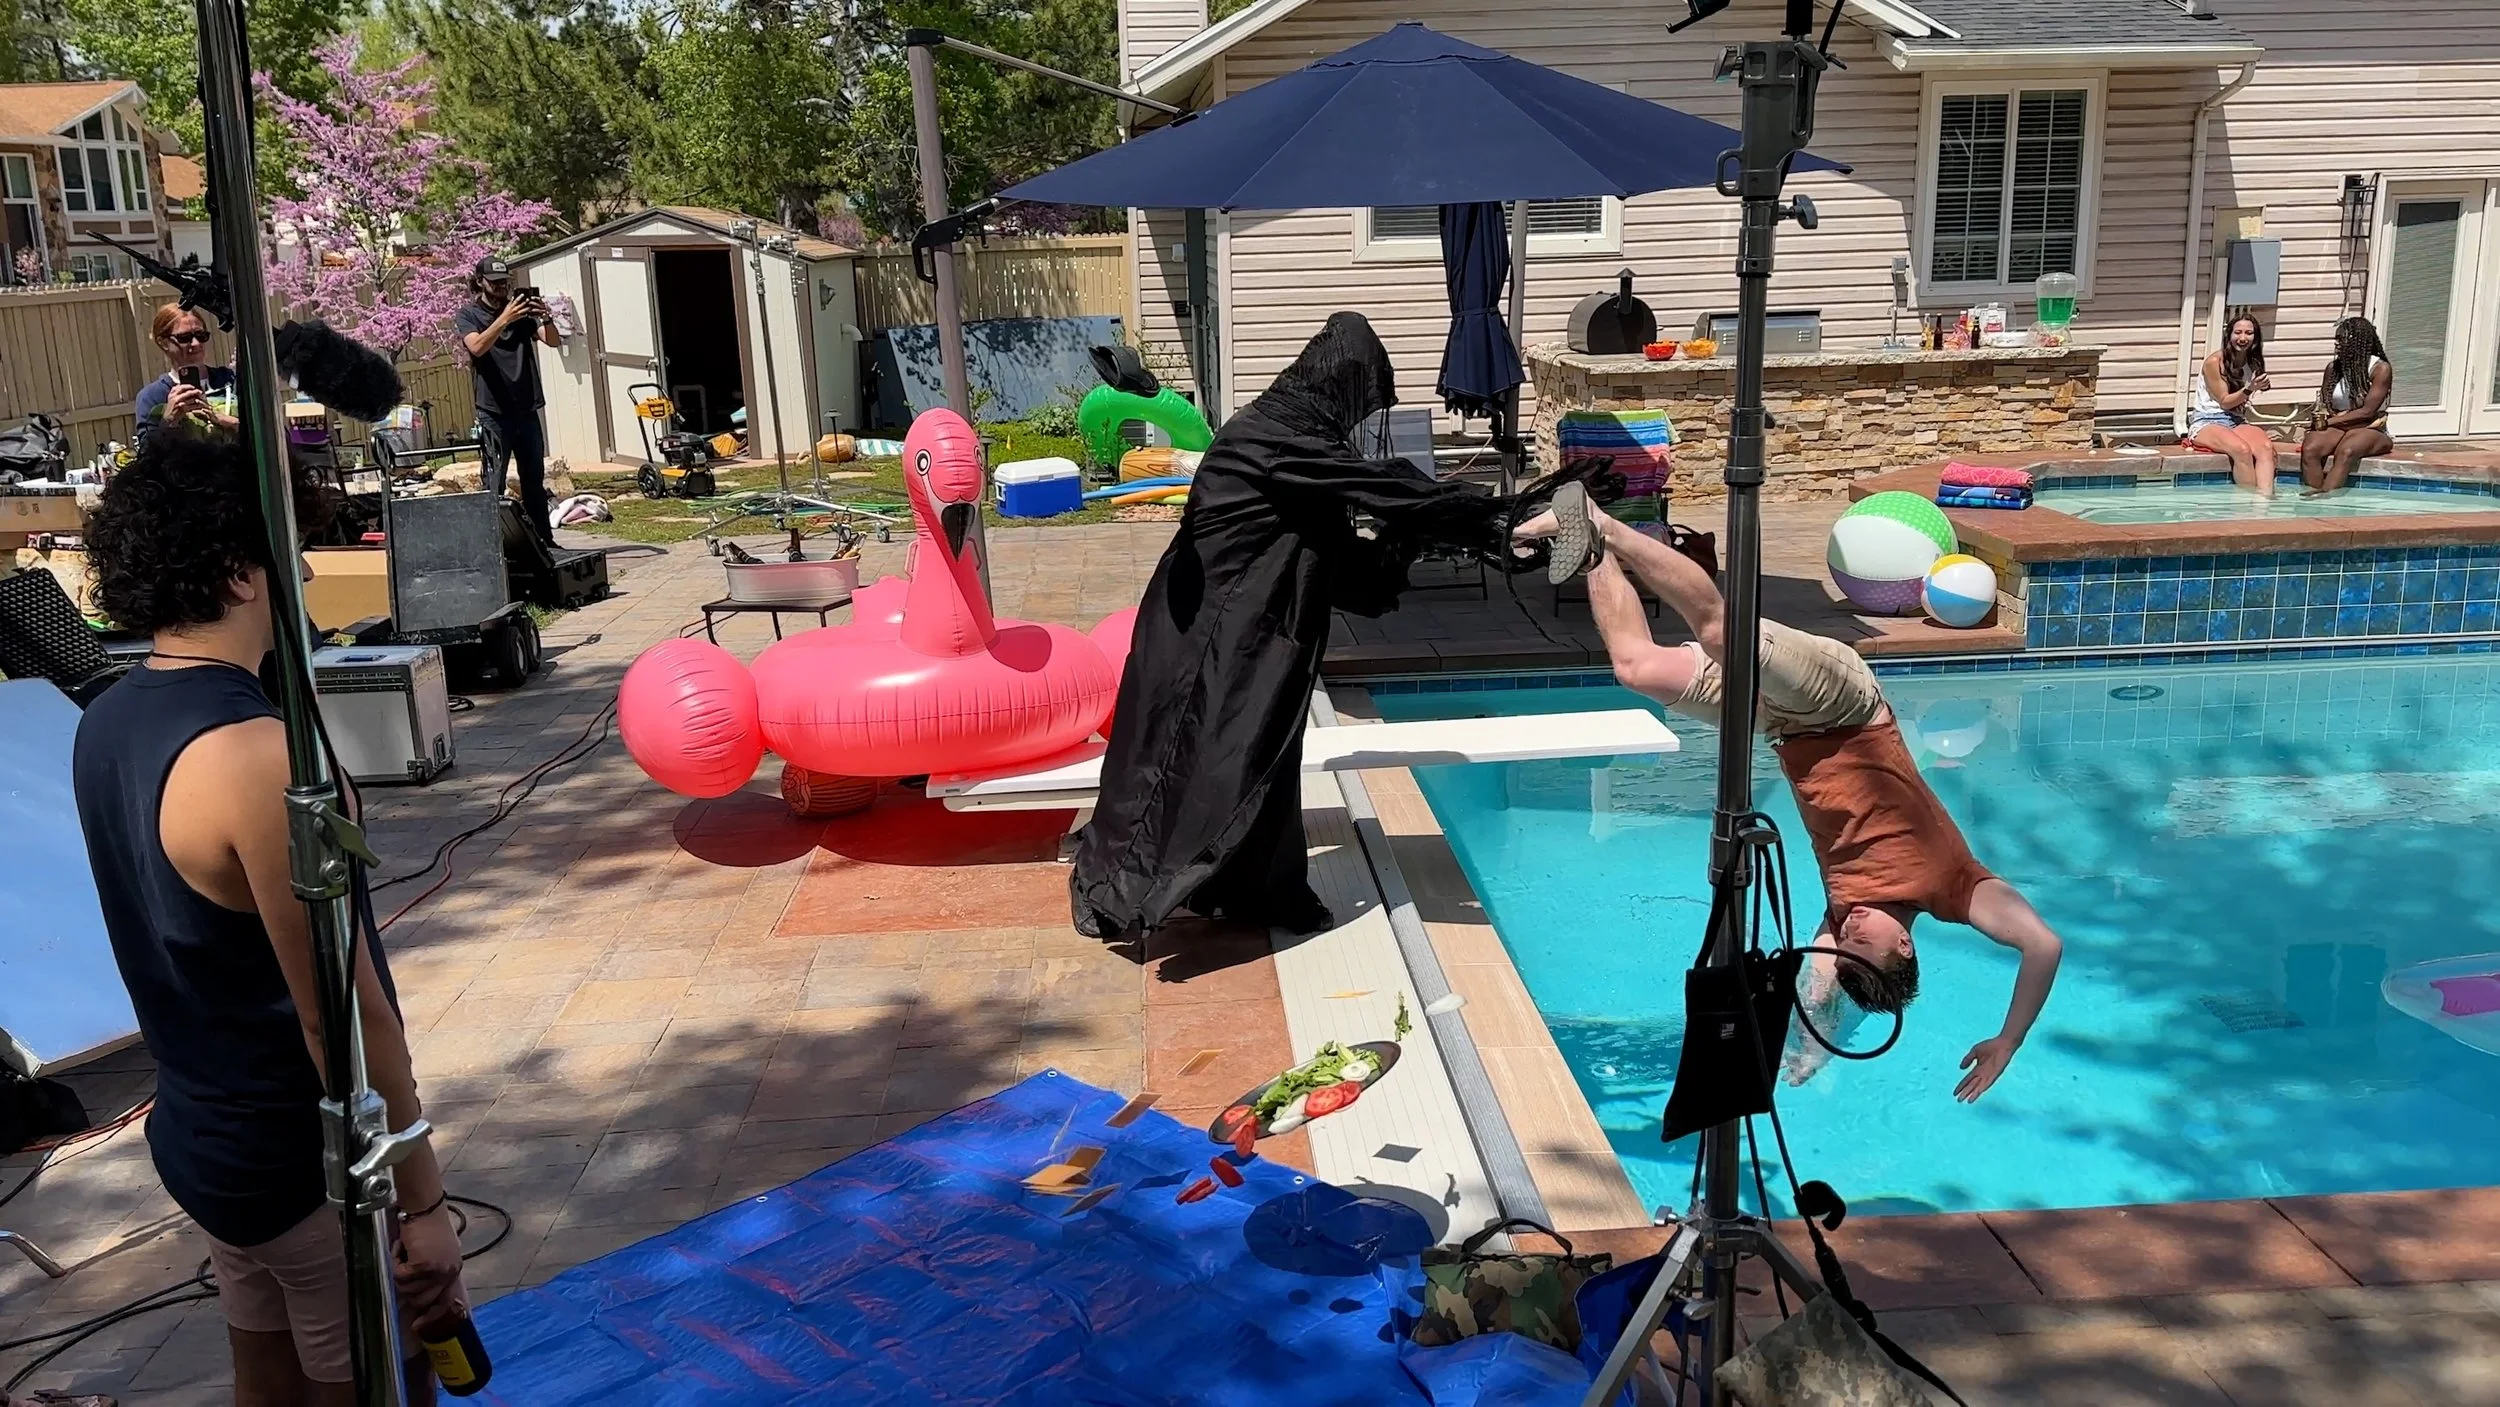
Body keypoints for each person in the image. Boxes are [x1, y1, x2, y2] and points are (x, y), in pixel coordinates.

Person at [72, 425, 463, 1405]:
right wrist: (424, 1204)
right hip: (302, 1172)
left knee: (266, 1370)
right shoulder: (259, 761)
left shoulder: (106, 720)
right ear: (246, 572)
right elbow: (344, 1013)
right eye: (285, 547)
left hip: (205, 1143)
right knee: (371, 1381)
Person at [1521, 485, 2063, 1101]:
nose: (1847, 926)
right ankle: (1601, 521)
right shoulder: (1955, 890)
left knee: (1636, 668)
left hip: (1779, 725)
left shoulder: (1846, 926)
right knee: (1726, 634)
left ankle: (1590, 547)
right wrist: (2009, 1041)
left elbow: (1825, 994)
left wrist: (1812, 1054)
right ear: (1905, 943)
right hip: (1845, 705)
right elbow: (2044, 945)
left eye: (1843, 940)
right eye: (1863, 938)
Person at [1070, 312, 1562, 939]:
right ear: (1334, 384)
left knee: (1260, 761)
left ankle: (1256, 890)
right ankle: (1126, 889)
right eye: (1358, 401)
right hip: (1206, 637)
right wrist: (1514, 519)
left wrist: (1444, 538)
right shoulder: (1278, 441)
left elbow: (1348, 552)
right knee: (1192, 762)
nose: (1359, 419)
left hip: (1237, 629)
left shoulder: (1293, 442)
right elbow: (1394, 493)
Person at [453, 256, 560, 544]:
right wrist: (505, 318)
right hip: (493, 412)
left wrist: (545, 316)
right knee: (494, 482)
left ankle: (543, 542)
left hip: (526, 410)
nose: (502, 288)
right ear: (480, 282)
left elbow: (553, 340)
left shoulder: (521, 314)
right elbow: (476, 347)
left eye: (505, 283)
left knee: (534, 482)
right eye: (495, 283)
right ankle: (492, 546)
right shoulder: (469, 315)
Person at [2301, 315, 2395, 496]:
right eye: (2336, 339)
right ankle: (2313, 495)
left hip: (2370, 428)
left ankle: (2327, 499)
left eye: (2341, 339)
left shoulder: (2380, 369)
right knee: (2310, 449)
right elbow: (2326, 402)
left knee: (2347, 450)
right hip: (2339, 425)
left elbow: (2367, 412)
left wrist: (2329, 422)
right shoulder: (2333, 368)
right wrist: (2325, 416)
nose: (2336, 343)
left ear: (2357, 342)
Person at [2188, 313, 2277, 496]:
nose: (2243, 338)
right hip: (2207, 420)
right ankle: (2247, 503)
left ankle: (2264, 502)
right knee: (2241, 450)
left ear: (2255, 337)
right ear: (2229, 335)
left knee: (2266, 448)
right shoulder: (2215, 362)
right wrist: (2249, 389)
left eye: (2248, 333)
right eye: (2238, 332)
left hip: (2236, 420)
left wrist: (2263, 384)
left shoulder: (2252, 361)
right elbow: (2225, 402)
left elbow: (2247, 395)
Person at [131, 303, 238, 448]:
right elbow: (146, 457)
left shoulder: (231, 381)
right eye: (184, 337)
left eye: (201, 336)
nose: (196, 343)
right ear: (163, 343)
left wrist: (222, 420)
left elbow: (268, 433)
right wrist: (168, 420)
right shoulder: (152, 397)